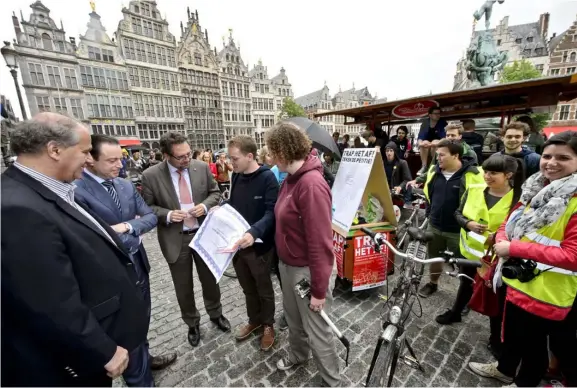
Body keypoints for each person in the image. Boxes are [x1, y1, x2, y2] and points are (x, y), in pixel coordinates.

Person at [1, 113, 148, 386]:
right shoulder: (16, 208)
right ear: (54, 150)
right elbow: (47, 299)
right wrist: (102, 349)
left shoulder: (49, 190)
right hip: (75, 362)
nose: (88, 159)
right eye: (84, 151)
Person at [469, 131, 577, 387]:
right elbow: (513, 217)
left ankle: (523, 382)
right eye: (547, 156)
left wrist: (514, 248)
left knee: (533, 347)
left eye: (563, 157)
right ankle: (505, 369)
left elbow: (573, 256)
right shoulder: (536, 187)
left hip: (547, 291)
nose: (551, 162)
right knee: (513, 336)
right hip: (518, 282)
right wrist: (502, 237)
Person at [74, 135, 177, 386]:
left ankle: (144, 357)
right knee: (124, 329)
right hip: (111, 274)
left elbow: (150, 217)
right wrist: (133, 233)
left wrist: (124, 227)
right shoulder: (77, 191)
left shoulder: (125, 185)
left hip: (139, 265)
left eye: (120, 159)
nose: (119, 166)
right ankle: (140, 378)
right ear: (90, 160)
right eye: (111, 161)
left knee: (142, 318)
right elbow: (96, 235)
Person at [266, 121, 340, 387]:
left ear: (283, 152)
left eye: (272, 152)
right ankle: (298, 355)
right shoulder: (291, 178)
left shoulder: (311, 184)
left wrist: (319, 291)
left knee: (318, 329)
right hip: (288, 265)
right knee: (294, 320)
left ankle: (331, 380)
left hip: (306, 271)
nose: (269, 157)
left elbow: (321, 244)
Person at [141, 132, 229, 347]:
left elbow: (215, 192)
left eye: (188, 154)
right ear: (166, 156)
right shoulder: (151, 175)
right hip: (175, 239)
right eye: (180, 157)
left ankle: (216, 314)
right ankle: (192, 323)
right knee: (183, 286)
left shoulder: (201, 167)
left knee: (210, 280)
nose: (186, 159)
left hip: (202, 234)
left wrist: (206, 205)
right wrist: (169, 215)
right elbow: (147, 208)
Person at [435, 154, 522, 326]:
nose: (487, 176)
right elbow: (457, 213)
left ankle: (495, 335)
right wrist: (468, 223)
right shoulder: (474, 189)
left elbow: (520, 231)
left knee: (493, 293)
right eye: (486, 172)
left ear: (508, 175)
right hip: (469, 252)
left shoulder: (517, 199)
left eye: (493, 173)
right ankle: (456, 312)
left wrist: (498, 237)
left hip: (496, 258)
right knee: (465, 283)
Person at [218, 135, 279, 351]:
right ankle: (254, 320)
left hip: (260, 246)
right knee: (247, 288)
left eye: (234, 158)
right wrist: (222, 207)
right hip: (238, 245)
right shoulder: (236, 176)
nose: (231, 163)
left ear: (250, 156)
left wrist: (254, 232)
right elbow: (234, 203)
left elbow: (272, 212)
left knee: (264, 289)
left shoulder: (268, 179)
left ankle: (269, 325)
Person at [418, 139, 486, 298]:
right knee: (434, 258)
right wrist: (429, 214)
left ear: (456, 156)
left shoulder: (473, 175)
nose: (437, 158)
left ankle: (465, 297)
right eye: (437, 155)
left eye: (442, 155)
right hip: (434, 226)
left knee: (465, 266)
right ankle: (432, 283)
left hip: (459, 230)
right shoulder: (434, 171)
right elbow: (429, 195)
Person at [417, 106, 448, 173]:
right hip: (427, 145)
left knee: (435, 142)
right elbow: (420, 137)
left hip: (438, 144)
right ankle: (424, 166)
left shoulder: (442, 123)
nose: (438, 115)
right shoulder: (425, 123)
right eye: (436, 113)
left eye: (439, 113)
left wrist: (435, 143)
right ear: (430, 115)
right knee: (424, 142)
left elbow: (445, 137)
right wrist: (420, 144)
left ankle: (435, 166)